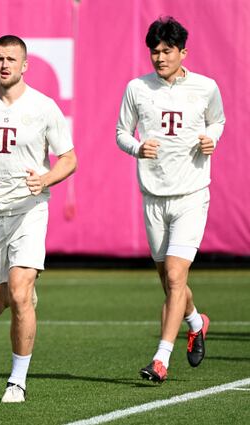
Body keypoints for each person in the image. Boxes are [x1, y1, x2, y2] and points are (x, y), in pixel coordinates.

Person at [0, 35, 77, 403]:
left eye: (11, 59)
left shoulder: (43, 107)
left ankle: (17, 381)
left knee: (20, 294)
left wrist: (45, 179)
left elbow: (69, 159)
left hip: (29, 210)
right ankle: (22, 291)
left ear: (25, 65)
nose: (4, 64)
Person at [116, 17, 225, 383]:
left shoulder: (205, 87)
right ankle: (196, 321)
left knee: (177, 276)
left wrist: (211, 138)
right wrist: (137, 147)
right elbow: (121, 132)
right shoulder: (137, 88)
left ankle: (161, 359)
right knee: (168, 280)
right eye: (155, 51)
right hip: (153, 195)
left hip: (191, 193)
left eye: (167, 51)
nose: (160, 58)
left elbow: (218, 121)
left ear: (183, 52)